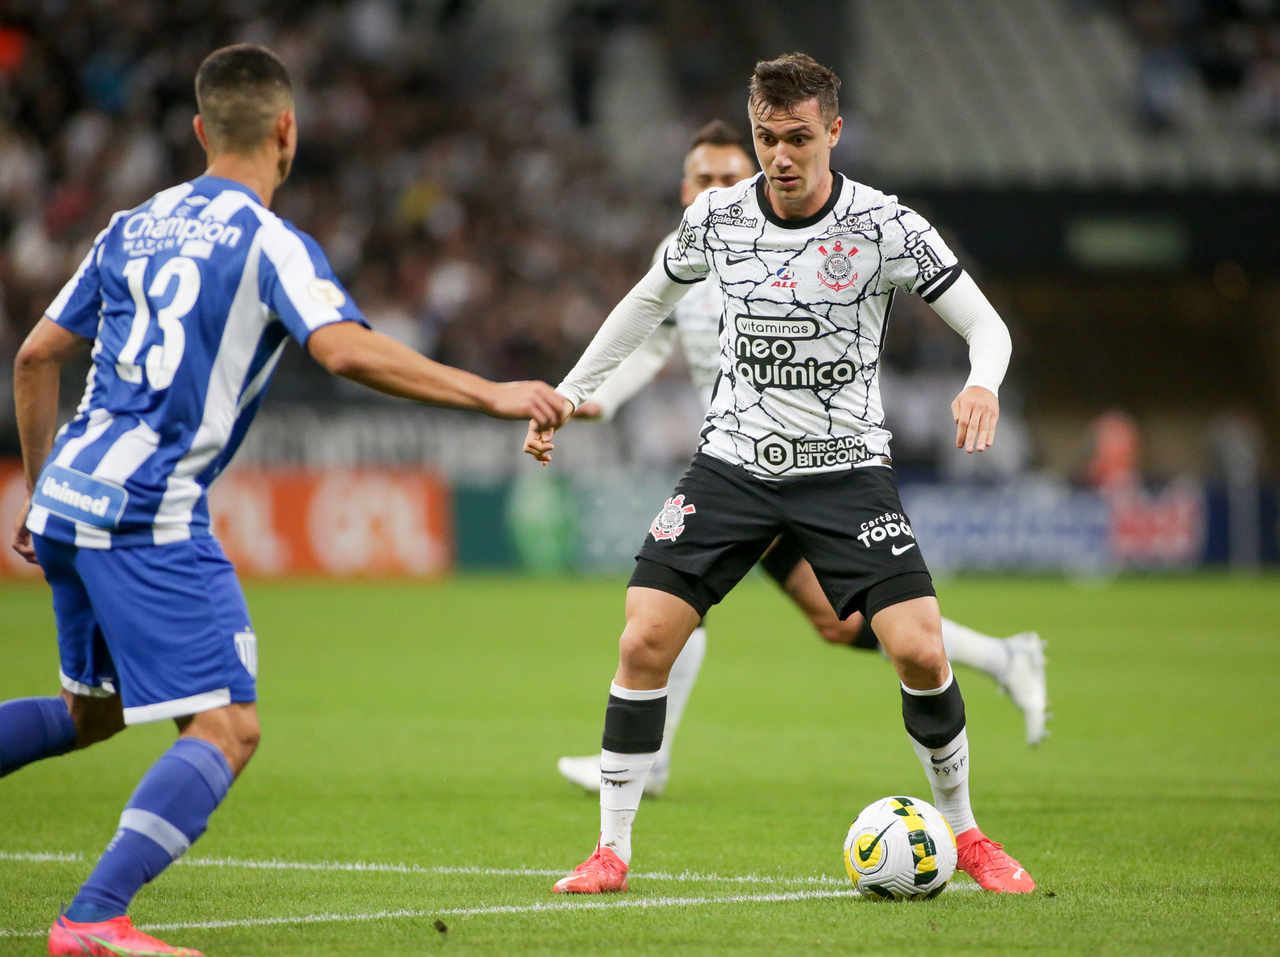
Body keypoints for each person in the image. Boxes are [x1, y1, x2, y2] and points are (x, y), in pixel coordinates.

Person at [5, 44, 563, 957]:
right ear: (287, 131)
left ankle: (95, 912)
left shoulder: (129, 224)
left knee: (88, 712)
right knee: (227, 726)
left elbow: (34, 356)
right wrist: (491, 392)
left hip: (68, 494)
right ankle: (92, 917)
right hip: (148, 510)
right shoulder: (270, 241)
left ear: (198, 130)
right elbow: (343, 349)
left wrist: (35, 491)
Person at [526, 53, 1035, 895]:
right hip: (732, 465)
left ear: (833, 132)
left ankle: (970, 833)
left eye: (799, 137)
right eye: (767, 137)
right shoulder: (718, 219)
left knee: (916, 645)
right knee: (645, 634)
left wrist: (981, 383)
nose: (781, 155)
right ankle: (610, 850)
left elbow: (987, 326)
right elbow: (644, 303)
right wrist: (570, 392)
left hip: (847, 472)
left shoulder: (884, 226)